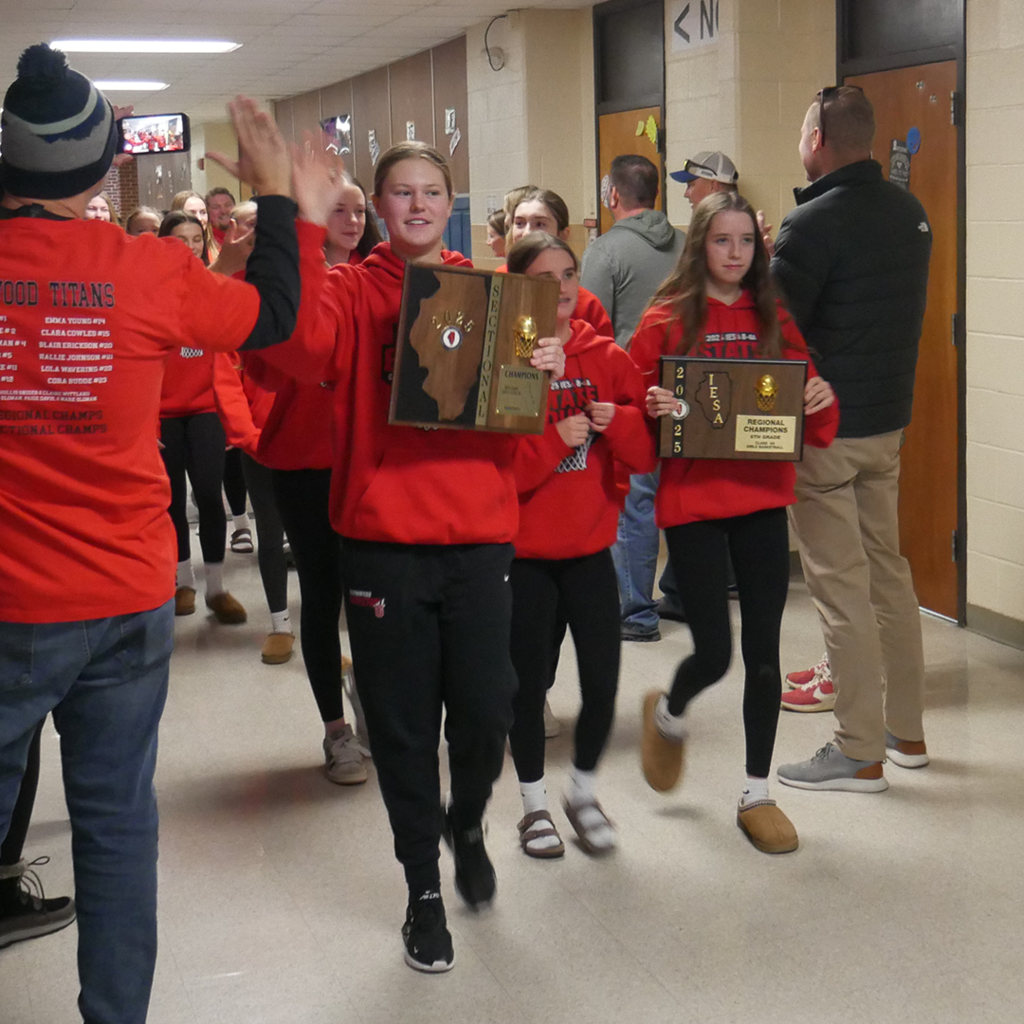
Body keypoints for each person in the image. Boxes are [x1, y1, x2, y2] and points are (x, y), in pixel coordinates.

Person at [0, 44, 306, 1024]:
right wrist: (276, 196)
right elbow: (274, 314)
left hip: (12, 604)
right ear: (101, 169)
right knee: (117, 825)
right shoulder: (151, 270)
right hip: (127, 599)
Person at [250, 141, 565, 973]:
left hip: (480, 537)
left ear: (451, 203)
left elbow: (520, 422)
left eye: (431, 191)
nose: (417, 205)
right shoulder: (351, 291)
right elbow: (290, 348)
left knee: (488, 712)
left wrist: (543, 369)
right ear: (378, 207)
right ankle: (423, 887)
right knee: (401, 727)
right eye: (400, 192)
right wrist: (303, 222)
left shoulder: (498, 295)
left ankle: (468, 819)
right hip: (384, 544)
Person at [632, 191, 838, 855]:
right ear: (700, 244)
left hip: (761, 503)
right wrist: (649, 408)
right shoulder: (665, 319)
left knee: (764, 655)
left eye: (746, 241)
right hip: (693, 506)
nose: (735, 253)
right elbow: (630, 419)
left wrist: (819, 397)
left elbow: (812, 417)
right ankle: (669, 712)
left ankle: (756, 791)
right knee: (715, 653)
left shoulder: (774, 316)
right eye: (722, 240)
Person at [768, 86, 932, 788]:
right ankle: (906, 733)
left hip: (827, 435)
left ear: (816, 140)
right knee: (888, 575)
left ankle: (858, 749)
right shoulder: (910, 213)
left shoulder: (809, 224)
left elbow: (777, 331)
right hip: (887, 426)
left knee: (840, 591)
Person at [506, 232, 653, 858]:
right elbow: (498, 473)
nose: (561, 288)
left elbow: (644, 455)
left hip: (591, 551)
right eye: (544, 279)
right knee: (525, 690)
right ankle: (533, 806)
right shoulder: (507, 358)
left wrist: (619, 421)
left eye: (568, 274)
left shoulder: (606, 357)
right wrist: (554, 440)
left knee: (602, 682)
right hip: (524, 558)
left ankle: (584, 792)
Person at [580, 154, 686, 643]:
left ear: (613, 195)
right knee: (681, 497)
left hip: (635, 395)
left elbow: (590, 329)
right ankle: (681, 594)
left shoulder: (604, 252)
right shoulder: (688, 245)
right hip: (689, 391)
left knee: (635, 503)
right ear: (656, 194)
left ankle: (636, 612)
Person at [507, 188, 614, 338]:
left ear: (563, 234)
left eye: (540, 224)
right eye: (519, 223)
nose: (527, 232)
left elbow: (600, 349)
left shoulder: (584, 305)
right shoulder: (500, 283)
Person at [669, 150, 739, 207]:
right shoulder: (739, 217)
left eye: (691, 185)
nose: (686, 194)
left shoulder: (731, 220)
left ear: (713, 187)